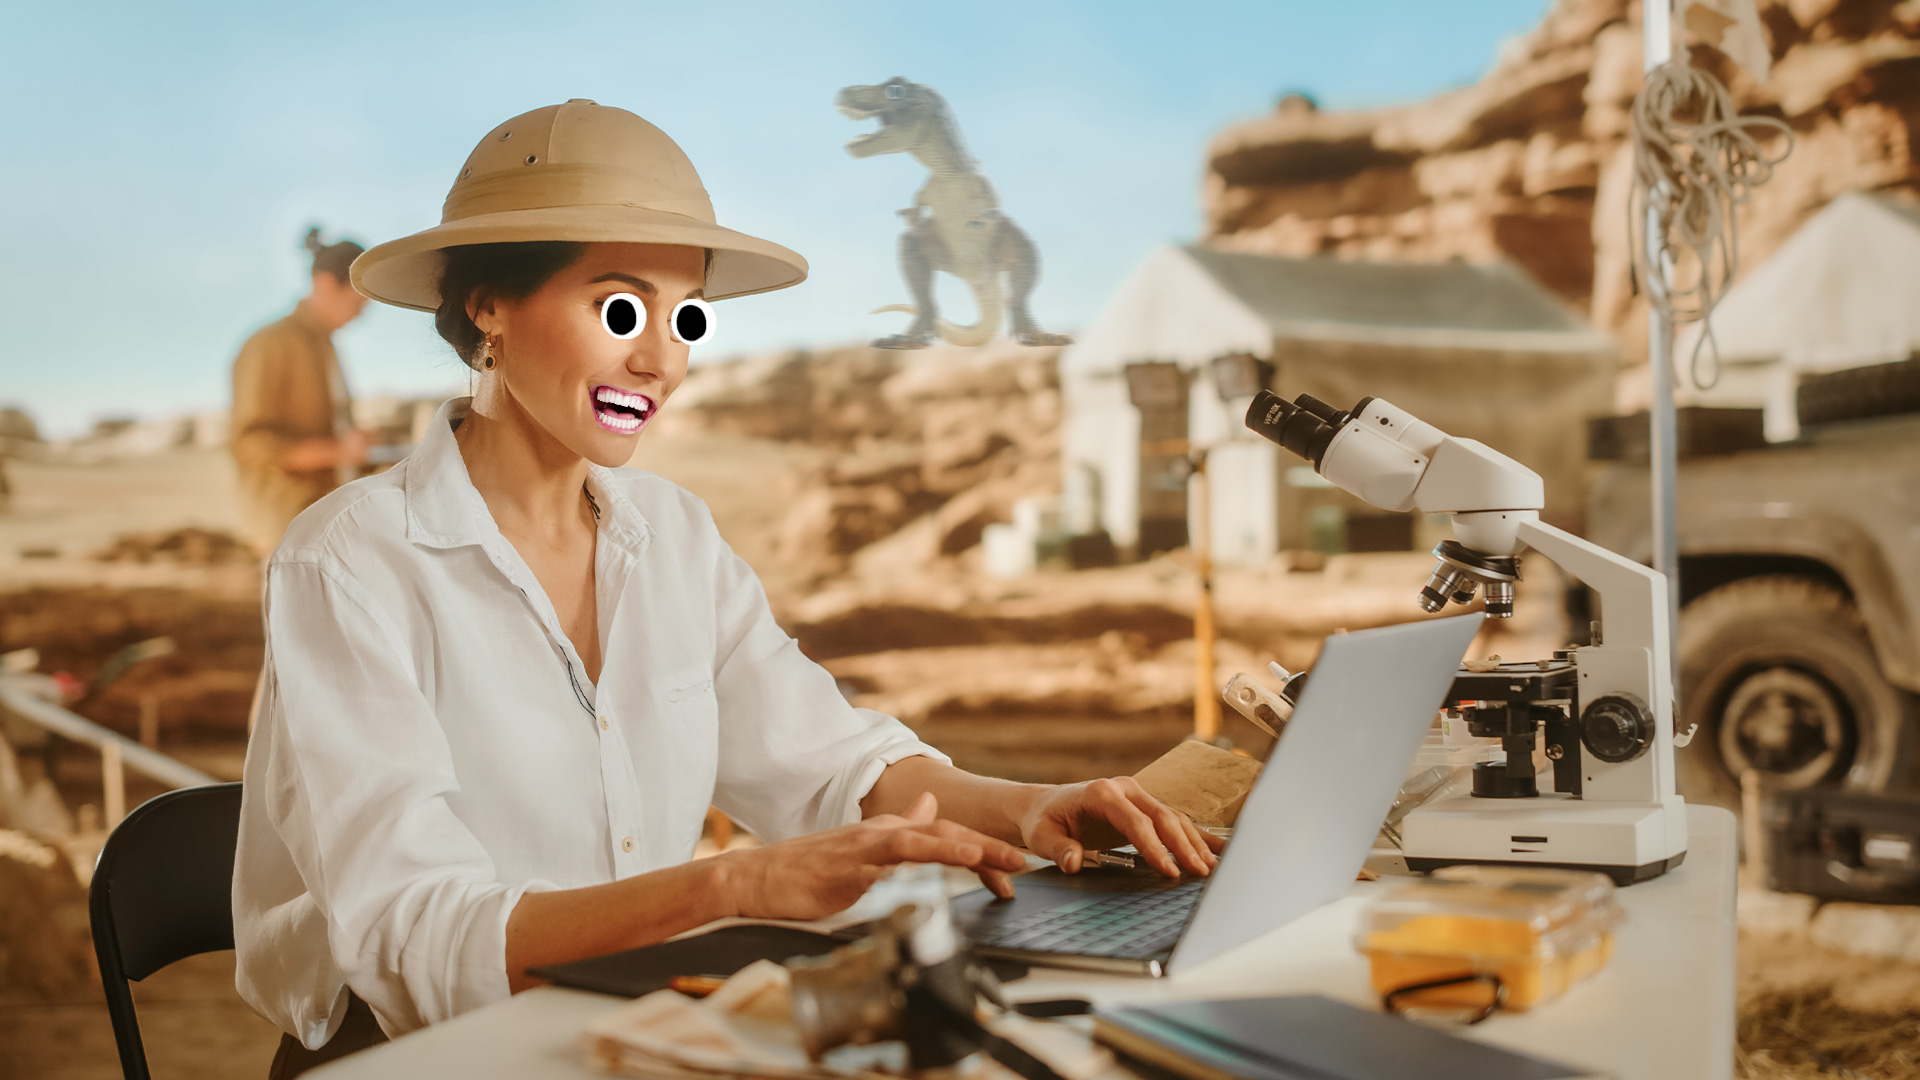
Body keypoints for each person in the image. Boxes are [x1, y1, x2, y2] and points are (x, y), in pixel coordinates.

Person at [233, 101, 1219, 1078]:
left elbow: (834, 767)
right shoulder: (348, 561)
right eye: (619, 308)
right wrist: (731, 887)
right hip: (416, 1055)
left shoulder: (675, 537)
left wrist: (1031, 806)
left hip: (625, 1028)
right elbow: (420, 940)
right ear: (489, 303)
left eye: (685, 315)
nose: (663, 357)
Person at [228, 228, 373, 556]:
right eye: (358, 302)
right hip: (288, 533)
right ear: (326, 283)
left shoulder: (326, 345)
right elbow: (250, 446)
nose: (362, 313)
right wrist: (338, 451)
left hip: (326, 526)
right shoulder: (271, 344)